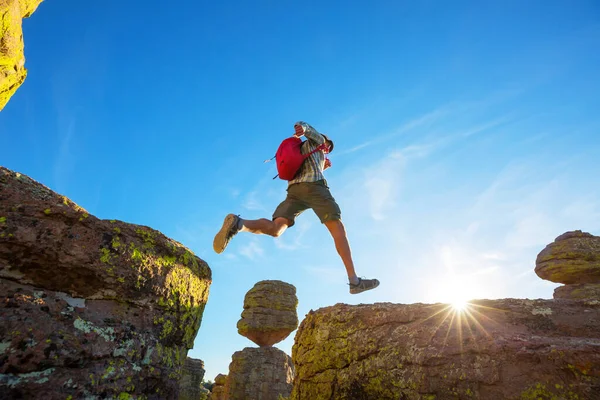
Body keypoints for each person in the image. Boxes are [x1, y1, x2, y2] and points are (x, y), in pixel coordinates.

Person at [213, 121, 380, 295]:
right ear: (328, 145)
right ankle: (354, 281)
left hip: (294, 191)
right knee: (337, 228)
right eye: (329, 148)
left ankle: (239, 224)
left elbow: (308, 168)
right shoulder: (320, 142)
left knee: (276, 229)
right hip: (315, 188)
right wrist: (304, 128)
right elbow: (313, 135)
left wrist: (323, 167)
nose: (328, 151)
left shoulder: (304, 150)